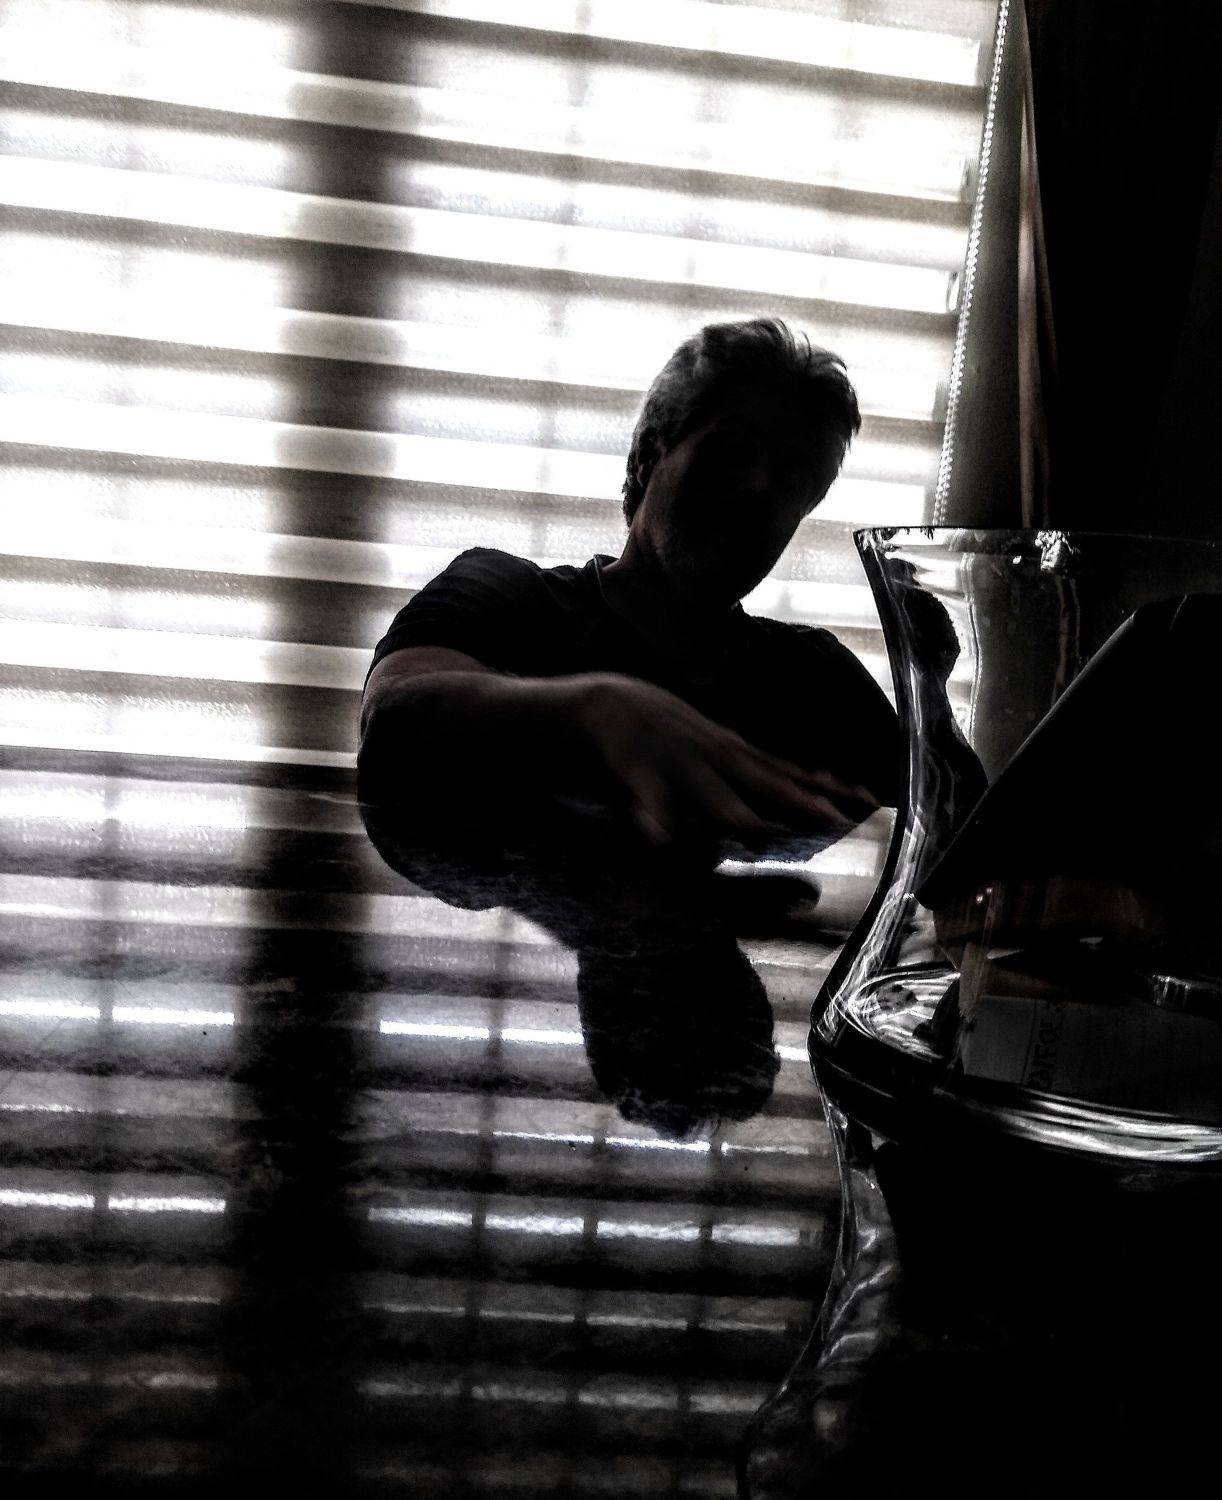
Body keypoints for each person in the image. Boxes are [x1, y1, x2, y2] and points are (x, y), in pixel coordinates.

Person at [359, 317, 902, 854]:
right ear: (647, 456)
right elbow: (392, 718)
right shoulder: (503, 592)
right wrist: (593, 712)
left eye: (792, 478)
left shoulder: (818, 681)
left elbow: (943, 837)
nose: (758, 489)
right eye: (732, 449)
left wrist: (930, 681)